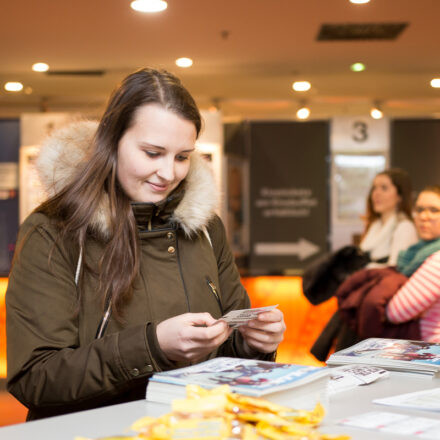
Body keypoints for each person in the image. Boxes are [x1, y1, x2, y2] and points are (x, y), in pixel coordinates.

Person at [6, 68, 286, 420]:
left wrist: (252, 343)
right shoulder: (53, 231)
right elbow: (35, 377)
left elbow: (229, 350)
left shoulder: (205, 227)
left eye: (182, 156)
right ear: (111, 142)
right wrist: (152, 346)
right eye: (153, 153)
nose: (168, 173)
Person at [386, 185, 440, 342]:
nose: (424, 216)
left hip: (431, 357)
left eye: (434, 210)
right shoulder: (415, 253)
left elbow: (395, 312)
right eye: (420, 209)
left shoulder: (437, 260)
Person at [359, 168, 418, 267]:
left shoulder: (405, 227)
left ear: (399, 196)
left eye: (384, 188)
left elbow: (394, 271)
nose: (376, 194)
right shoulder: (375, 225)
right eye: (374, 188)